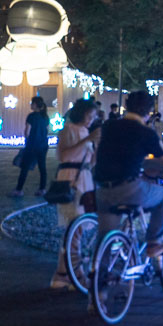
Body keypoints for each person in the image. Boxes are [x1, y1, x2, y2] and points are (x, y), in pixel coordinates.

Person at [93, 90, 163, 258]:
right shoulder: (146, 133)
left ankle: (99, 277)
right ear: (149, 110)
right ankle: (154, 242)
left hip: (102, 189)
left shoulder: (109, 126)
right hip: (128, 190)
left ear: (126, 107)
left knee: (105, 240)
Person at [50, 99, 98, 289]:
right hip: (70, 178)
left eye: (94, 117)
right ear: (81, 113)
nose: (91, 120)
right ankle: (74, 273)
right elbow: (64, 156)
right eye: (89, 116)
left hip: (84, 179)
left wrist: (96, 144)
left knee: (75, 228)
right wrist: (87, 140)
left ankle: (62, 274)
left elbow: (90, 162)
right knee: (75, 228)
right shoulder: (68, 130)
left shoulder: (87, 132)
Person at [11, 96, 50, 198]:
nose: (30, 105)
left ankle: (19, 190)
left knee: (25, 168)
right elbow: (47, 130)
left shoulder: (31, 116)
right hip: (43, 145)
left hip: (32, 145)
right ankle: (42, 189)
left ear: (36, 105)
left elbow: (27, 132)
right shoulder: (45, 117)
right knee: (42, 167)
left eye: (32, 103)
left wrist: (27, 138)